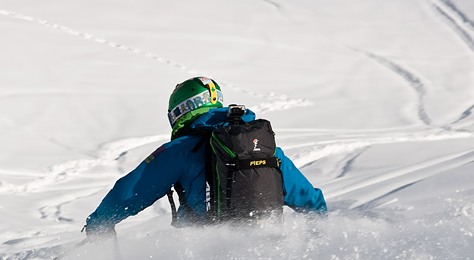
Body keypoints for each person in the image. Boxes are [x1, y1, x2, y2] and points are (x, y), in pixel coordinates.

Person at [84, 77, 327, 239]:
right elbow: (311, 200)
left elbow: (131, 190)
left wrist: (99, 222)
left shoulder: (181, 150)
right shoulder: (265, 148)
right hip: (266, 248)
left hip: (202, 256)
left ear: (180, 111)